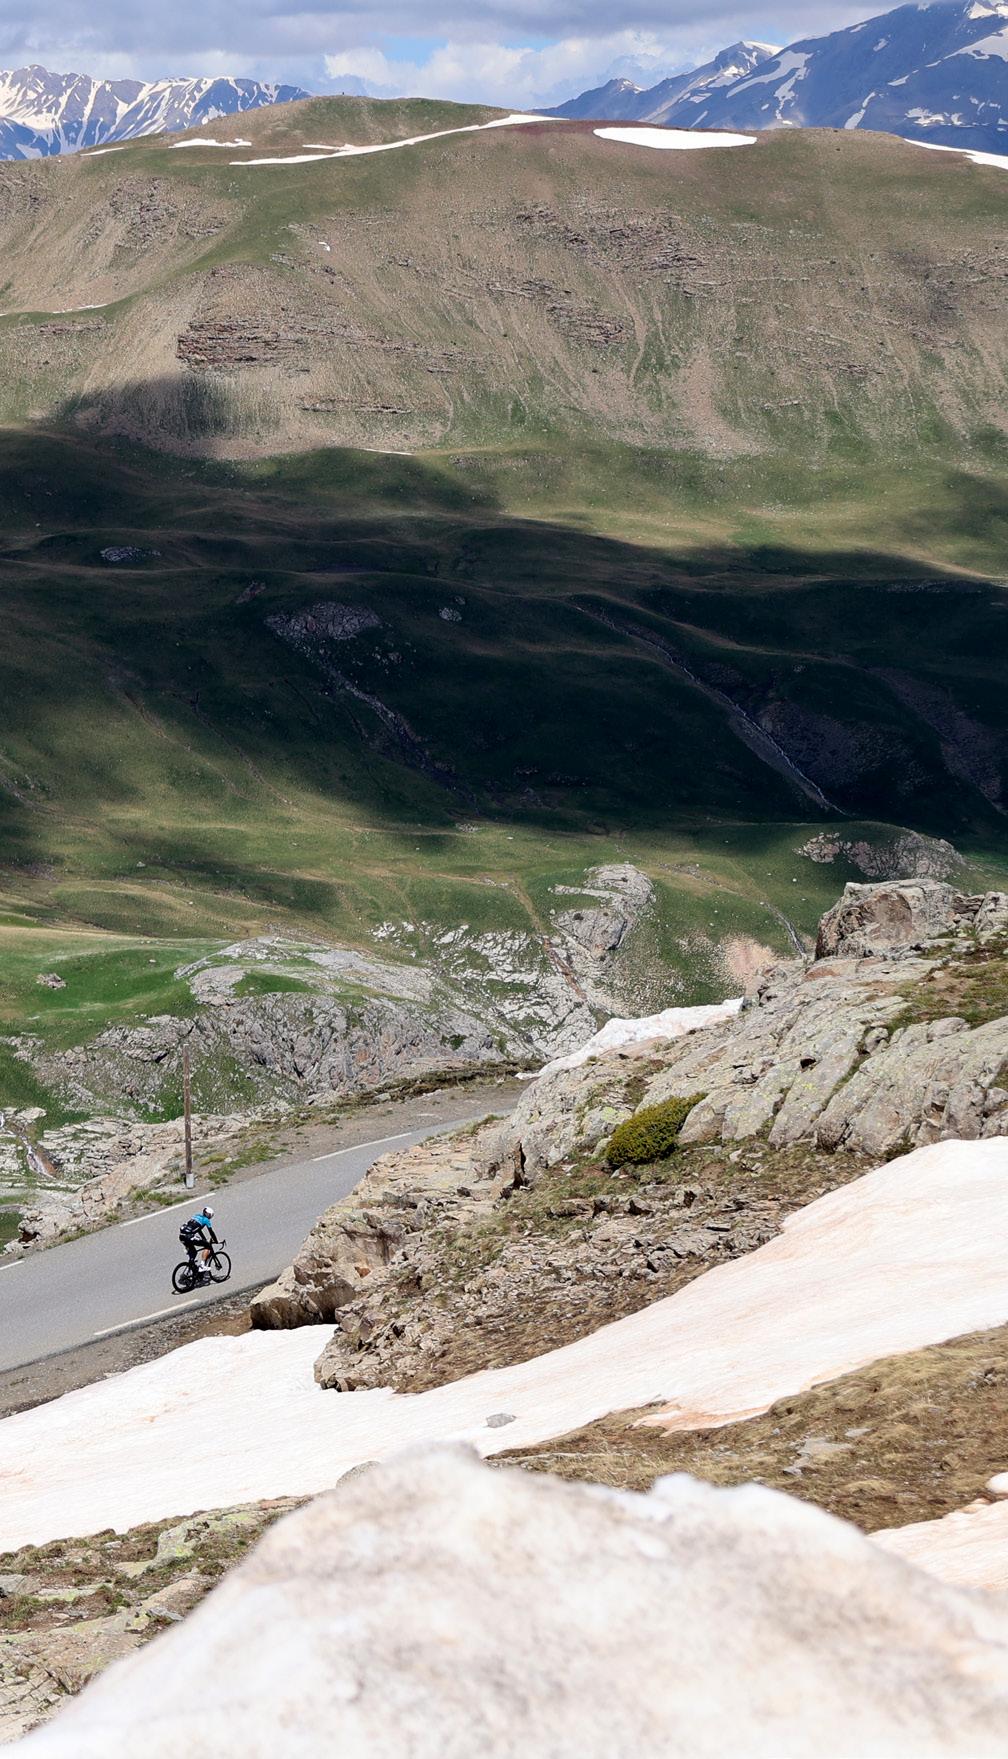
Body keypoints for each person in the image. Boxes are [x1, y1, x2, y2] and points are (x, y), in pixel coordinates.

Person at [179, 1204, 218, 1280]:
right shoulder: (206, 1220)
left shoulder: (196, 1216)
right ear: (209, 1215)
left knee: (193, 1253)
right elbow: (211, 1232)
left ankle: (190, 1269)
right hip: (189, 1237)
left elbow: (198, 1230)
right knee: (207, 1246)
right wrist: (216, 1241)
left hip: (182, 1236)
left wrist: (204, 1239)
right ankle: (202, 1266)